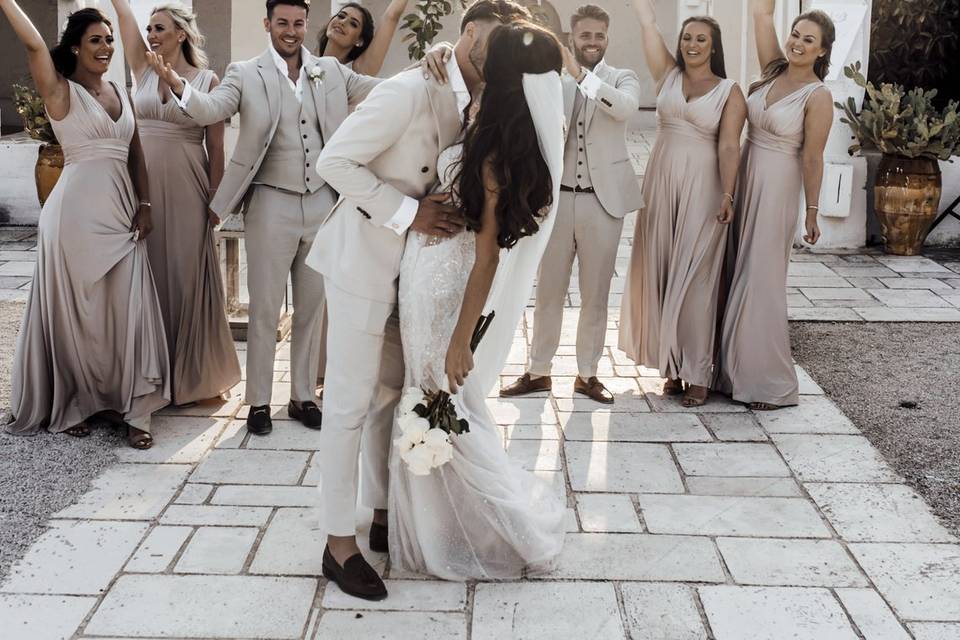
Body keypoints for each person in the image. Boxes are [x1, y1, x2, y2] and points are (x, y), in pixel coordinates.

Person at [307, 0, 531, 602]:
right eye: (492, 37)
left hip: (413, 280)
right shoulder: (408, 89)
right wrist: (408, 214)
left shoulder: (472, 93)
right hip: (361, 263)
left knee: (387, 399)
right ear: (471, 31)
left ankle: (382, 511)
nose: (496, 50)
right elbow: (335, 160)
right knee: (350, 404)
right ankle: (337, 543)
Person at [147, 0, 380, 436]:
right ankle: (258, 401)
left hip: (322, 202)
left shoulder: (329, 71)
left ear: (306, 25)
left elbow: (379, 87)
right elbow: (211, 109)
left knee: (313, 305)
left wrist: (435, 64)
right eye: (282, 23)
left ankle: (302, 397)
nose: (290, 31)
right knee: (266, 309)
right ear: (268, 24)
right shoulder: (244, 72)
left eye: (298, 23)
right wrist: (178, 84)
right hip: (271, 200)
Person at [391, 20, 566, 581]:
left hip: (448, 290)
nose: (476, 52)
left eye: (487, 50)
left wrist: (463, 339)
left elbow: (487, 257)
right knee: (431, 405)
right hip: (422, 276)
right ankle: (440, 523)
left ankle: (512, 532)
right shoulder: (482, 117)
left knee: (446, 407)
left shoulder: (495, 150)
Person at [2, 2, 169, 449]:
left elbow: (136, 153)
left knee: (127, 310)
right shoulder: (60, 91)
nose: (106, 47)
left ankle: (135, 408)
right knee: (80, 315)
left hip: (122, 214)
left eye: (110, 39)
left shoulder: (120, 88)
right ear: (75, 47)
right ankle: (77, 402)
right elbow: (34, 43)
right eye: (96, 39)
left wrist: (146, 202)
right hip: (73, 217)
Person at [500, 4, 643, 405]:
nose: (592, 42)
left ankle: (588, 374)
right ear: (572, 39)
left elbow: (624, 108)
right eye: (585, 35)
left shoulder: (622, 78)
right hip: (557, 201)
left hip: (603, 202)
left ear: (607, 38)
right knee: (547, 291)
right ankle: (538, 371)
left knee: (595, 295)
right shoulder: (553, 80)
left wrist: (582, 77)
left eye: (599, 35)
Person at [110, 0, 240, 406]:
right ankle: (150, 375)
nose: (151, 35)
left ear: (181, 34)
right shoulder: (142, 70)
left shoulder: (207, 81)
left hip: (188, 185)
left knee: (185, 276)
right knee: (144, 272)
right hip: (141, 185)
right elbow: (125, 20)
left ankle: (193, 378)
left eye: (160, 28)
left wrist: (217, 200)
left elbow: (216, 149)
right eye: (150, 28)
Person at [619, 0, 746, 407]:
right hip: (661, 187)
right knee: (663, 271)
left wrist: (729, 194)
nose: (692, 44)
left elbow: (729, 146)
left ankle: (698, 371)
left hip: (704, 190)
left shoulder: (730, 91)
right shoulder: (667, 76)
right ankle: (672, 366)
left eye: (701, 39)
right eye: (687, 38)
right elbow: (648, 27)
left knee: (698, 279)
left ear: (714, 47)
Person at [717, 0, 834, 410]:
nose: (798, 44)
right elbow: (761, 15)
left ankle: (767, 383)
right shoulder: (772, 69)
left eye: (809, 40)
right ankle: (727, 372)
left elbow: (812, 157)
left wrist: (813, 210)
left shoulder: (818, 96)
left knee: (762, 277)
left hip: (779, 185)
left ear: (822, 50)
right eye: (796, 35)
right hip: (745, 175)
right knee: (732, 266)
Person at [317, 0, 409, 74]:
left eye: (353, 24)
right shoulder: (306, 61)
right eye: (341, 16)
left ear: (359, 40)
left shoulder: (356, 72)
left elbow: (391, 17)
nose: (342, 22)